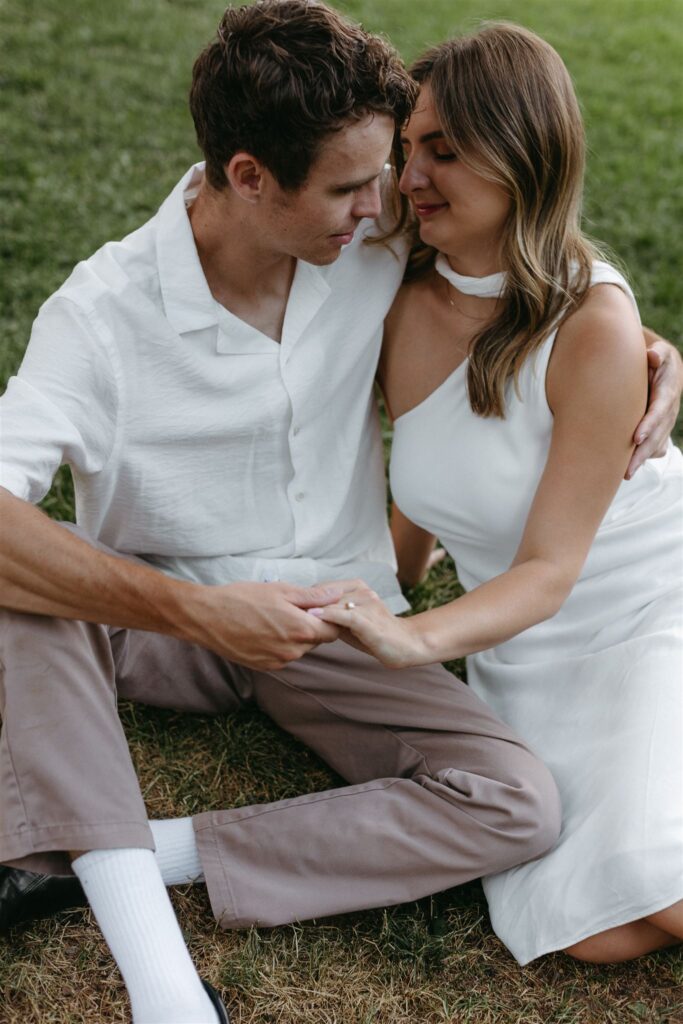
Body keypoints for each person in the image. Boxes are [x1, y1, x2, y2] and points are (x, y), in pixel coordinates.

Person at [0, 6, 678, 1019]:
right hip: (166, 624)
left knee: (516, 802)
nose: (388, 200)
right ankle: (163, 988)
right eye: (354, 185)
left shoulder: (366, 239)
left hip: (339, 615)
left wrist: (636, 353)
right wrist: (196, 612)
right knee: (26, 587)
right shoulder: (101, 319)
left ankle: (138, 850)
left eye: (393, 168)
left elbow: (523, 276)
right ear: (247, 176)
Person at [315, 23, 683, 967]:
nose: (408, 178)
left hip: (645, 601)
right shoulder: (394, 295)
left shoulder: (593, 324)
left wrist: (413, 639)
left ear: (523, 155)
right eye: (408, 150)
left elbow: (552, 567)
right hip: (522, 651)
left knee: (654, 875)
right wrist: (392, 582)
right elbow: (433, 490)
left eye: (442, 150)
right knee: (593, 930)